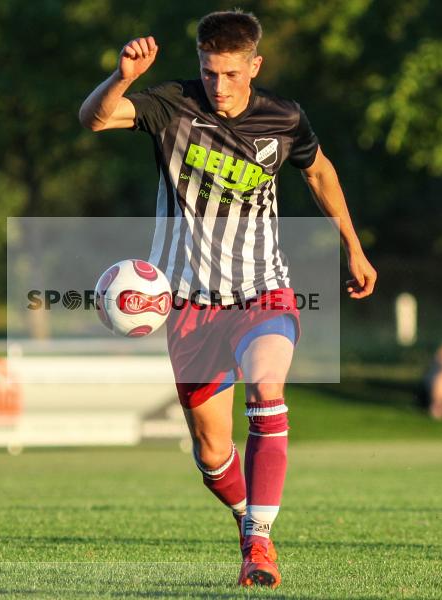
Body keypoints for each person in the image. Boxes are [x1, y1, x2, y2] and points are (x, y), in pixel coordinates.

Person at [79, 10, 376, 589]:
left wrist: (354, 248)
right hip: (188, 305)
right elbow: (94, 118)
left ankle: (259, 544)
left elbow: (319, 174)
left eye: (232, 74)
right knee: (213, 452)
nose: (219, 85)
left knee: (267, 388)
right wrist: (122, 78)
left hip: (262, 289)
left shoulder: (284, 118)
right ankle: (247, 521)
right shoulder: (173, 105)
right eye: (210, 72)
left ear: (254, 66)